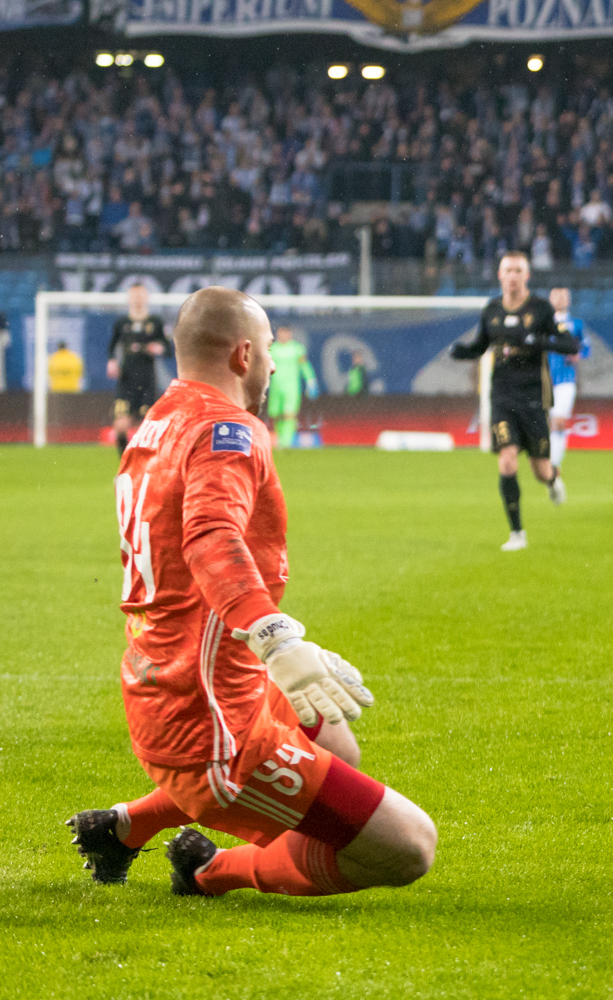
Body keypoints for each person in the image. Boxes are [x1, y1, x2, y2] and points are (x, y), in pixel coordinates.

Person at [66, 286, 436, 898]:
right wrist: (276, 638)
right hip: (209, 723)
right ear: (243, 356)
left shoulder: (156, 424)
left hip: (174, 677)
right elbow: (210, 538)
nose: (269, 364)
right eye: (266, 351)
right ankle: (211, 870)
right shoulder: (226, 429)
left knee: (334, 740)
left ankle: (127, 826)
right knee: (408, 847)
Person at [450, 252, 581, 550]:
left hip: (533, 398)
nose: (512, 275)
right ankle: (517, 533)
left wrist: (540, 341)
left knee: (540, 470)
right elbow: (480, 346)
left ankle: (553, 479)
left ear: (527, 275)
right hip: (502, 398)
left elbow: (569, 344)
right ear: (499, 275)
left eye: (518, 270)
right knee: (507, 461)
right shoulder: (492, 310)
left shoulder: (541, 309)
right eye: (507, 270)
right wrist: (463, 352)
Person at [108, 284, 171, 454]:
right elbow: (112, 345)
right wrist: (112, 361)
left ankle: (143, 466)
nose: (138, 299)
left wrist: (160, 348)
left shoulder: (155, 323)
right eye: (134, 295)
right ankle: (124, 465)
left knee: (146, 425)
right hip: (126, 380)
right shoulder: (122, 323)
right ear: (129, 298)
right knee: (121, 424)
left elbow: (168, 348)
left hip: (147, 379)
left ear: (147, 298)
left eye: (141, 295)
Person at [545, 287, 591, 472]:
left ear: (569, 300)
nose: (560, 298)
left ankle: (555, 462)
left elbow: (586, 348)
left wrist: (578, 354)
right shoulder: (544, 323)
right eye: (556, 295)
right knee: (546, 421)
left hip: (566, 379)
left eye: (564, 295)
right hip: (545, 379)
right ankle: (547, 458)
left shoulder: (576, 324)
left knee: (559, 420)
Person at [267, 326, 319, 448]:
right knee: (275, 414)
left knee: (289, 413)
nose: (282, 335)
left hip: (292, 387)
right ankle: (280, 439)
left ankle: (286, 442)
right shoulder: (272, 349)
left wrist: (311, 380)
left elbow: (304, 366)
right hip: (276, 387)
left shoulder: (297, 349)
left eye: (285, 333)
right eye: (280, 333)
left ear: (289, 334)